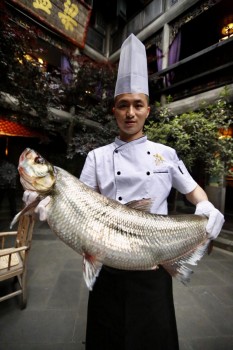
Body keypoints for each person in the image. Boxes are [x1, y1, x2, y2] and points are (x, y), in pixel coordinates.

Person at [23, 34, 224, 349]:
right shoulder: (97, 157)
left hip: (155, 261)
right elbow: (79, 204)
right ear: (114, 110)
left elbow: (194, 191)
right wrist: (45, 203)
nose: (130, 113)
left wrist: (207, 209)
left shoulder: (166, 154)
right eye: (123, 105)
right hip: (108, 264)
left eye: (137, 105)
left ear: (148, 110)